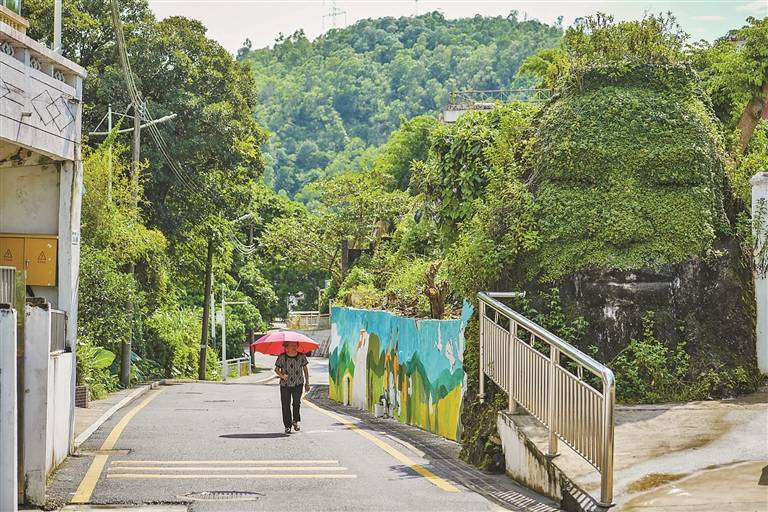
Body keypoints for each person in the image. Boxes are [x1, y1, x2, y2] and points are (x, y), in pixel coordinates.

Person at [274, 341, 309, 434]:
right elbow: (276, 369)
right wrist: (282, 376)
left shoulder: (302, 356)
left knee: (296, 403)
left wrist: (307, 383)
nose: (294, 347)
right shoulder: (282, 357)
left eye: (296, 345)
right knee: (285, 405)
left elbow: (305, 370)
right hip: (285, 385)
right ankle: (287, 426)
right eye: (292, 345)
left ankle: (296, 421)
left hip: (298, 384)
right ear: (286, 347)